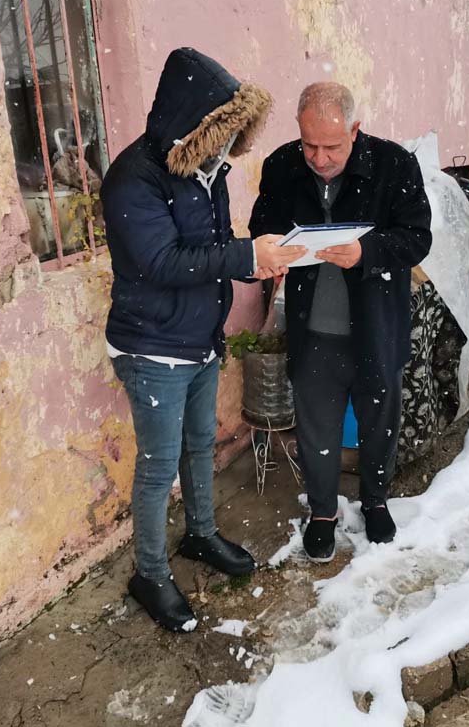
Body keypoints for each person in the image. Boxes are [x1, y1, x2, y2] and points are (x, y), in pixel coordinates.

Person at [102, 48, 306, 632]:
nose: (228, 146)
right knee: (158, 465)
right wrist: (245, 254)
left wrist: (257, 259)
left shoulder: (204, 171)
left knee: (199, 445)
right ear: (192, 122)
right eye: (222, 133)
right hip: (152, 347)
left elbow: (211, 247)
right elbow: (162, 261)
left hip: (198, 339)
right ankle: (149, 573)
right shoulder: (134, 179)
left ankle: (201, 533)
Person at [249, 82, 432, 562]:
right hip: (313, 329)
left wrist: (366, 252)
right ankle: (323, 513)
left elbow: (417, 238)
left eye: (331, 146)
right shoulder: (282, 166)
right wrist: (272, 253)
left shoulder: (394, 165)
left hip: (376, 325)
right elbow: (262, 228)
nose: (319, 158)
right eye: (309, 144)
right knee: (316, 429)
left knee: (379, 423)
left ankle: (375, 500)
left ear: (355, 129)